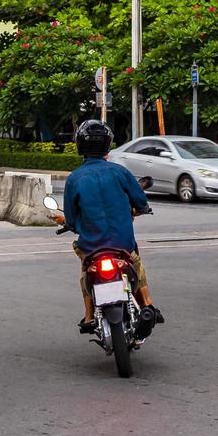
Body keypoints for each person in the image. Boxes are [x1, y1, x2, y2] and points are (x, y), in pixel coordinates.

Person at [53, 119, 164, 335]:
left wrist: (72, 224)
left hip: (92, 246)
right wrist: (139, 209)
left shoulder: (74, 179)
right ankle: (148, 304)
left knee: (86, 269)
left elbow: (72, 219)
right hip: (122, 243)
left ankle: (88, 315)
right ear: (107, 144)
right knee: (136, 261)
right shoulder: (119, 172)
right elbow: (141, 202)